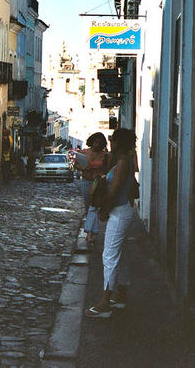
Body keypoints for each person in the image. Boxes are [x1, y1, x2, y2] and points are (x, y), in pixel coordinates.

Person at [84, 128, 138, 318]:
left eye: (113, 140)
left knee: (109, 256)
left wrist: (104, 210)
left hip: (118, 212)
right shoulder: (120, 161)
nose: (110, 143)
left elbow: (114, 192)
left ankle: (104, 303)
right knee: (120, 256)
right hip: (121, 211)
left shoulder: (123, 163)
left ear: (119, 143)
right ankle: (120, 296)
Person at [73, 132, 109, 246]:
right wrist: (83, 168)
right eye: (95, 142)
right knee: (89, 207)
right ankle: (92, 233)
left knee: (93, 207)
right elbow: (75, 165)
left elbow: (108, 168)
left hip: (98, 183)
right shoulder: (84, 153)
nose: (96, 144)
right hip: (86, 181)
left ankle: (89, 234)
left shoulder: (105, 155)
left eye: (99, 143)